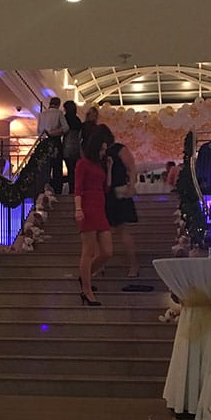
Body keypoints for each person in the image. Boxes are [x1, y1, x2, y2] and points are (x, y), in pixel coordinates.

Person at [74, 124, 114, 306]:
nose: (103, 152)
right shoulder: (83, 163)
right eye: (102, 149)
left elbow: (106, 187)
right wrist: (78, 208)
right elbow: (78, 188)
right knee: (88, 251)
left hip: (100, 206)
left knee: (107, 252)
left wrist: (110, 169)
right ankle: (86, 290)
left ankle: (85, 277)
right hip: (88, 207)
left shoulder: (99, 165)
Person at [103, 129, 140, 277]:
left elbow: (131, 168)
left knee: (121, 230)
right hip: (106, 192)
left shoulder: (118, 149)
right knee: (107, 231)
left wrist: (131, 185)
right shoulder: (103, 152)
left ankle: (133, 264)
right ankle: (103, 264)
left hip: (118, 191)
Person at [37, 96, 68, 193]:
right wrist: (57, 132)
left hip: (44, 142)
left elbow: (38, 131)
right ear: (58, 104)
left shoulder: (42, 114)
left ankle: (44, 189)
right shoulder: (59, 113)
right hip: (55, 141)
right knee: (57, 167)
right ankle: (57, 189)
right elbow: (66, 128)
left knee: (45, 166)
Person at [61, 100, 83, 196]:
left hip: (67, 146)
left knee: (70, 169)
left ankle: (71, 189)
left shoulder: (64, 119)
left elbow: (63, 131)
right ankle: (76, 189)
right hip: (77, 146)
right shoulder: (77, 120)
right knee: (76, 169)